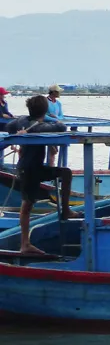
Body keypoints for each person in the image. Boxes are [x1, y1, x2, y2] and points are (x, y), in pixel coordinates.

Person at [5, 95, 75, 254]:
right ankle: (24, 244)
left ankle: (65, 210)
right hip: (28, 169)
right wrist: (51, 119)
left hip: (36, 167)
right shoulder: (39, 126)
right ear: (45, 110)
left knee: (66, 173)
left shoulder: (23, 120)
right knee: (27, 204)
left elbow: (9, 126)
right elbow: (61, 127)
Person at [44, 84, 65, 166]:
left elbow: (61, 116)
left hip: (55, 127)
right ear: (53, 92)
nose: (59, 93)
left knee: (53, 151)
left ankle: (51, 166)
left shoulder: (58, 103)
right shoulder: (45, 101)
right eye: (58, 92)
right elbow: (43, 115)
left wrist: (56, 118)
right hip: (45, 126)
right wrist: (55, 119)